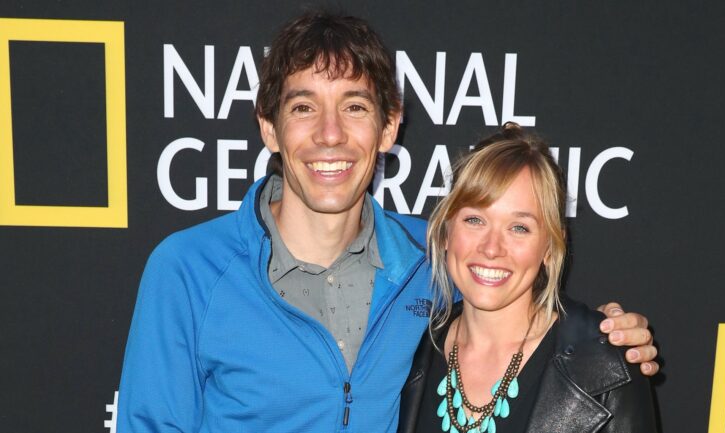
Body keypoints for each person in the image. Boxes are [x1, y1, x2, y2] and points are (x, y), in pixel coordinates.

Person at [118, 12, 658, 433]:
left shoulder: (431, 259)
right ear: (268, 127)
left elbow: (517, 297)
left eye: (354, 107)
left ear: (389, 126)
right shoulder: (188, 271)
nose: (330, 134)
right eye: (304, 108)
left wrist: (607, 338)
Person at [398, 123, 657, 433]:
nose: (492, 248)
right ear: (445, 232)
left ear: (549, 246)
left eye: (519, 227)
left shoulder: (605, 368)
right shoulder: (411, 351)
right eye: (475, 220)